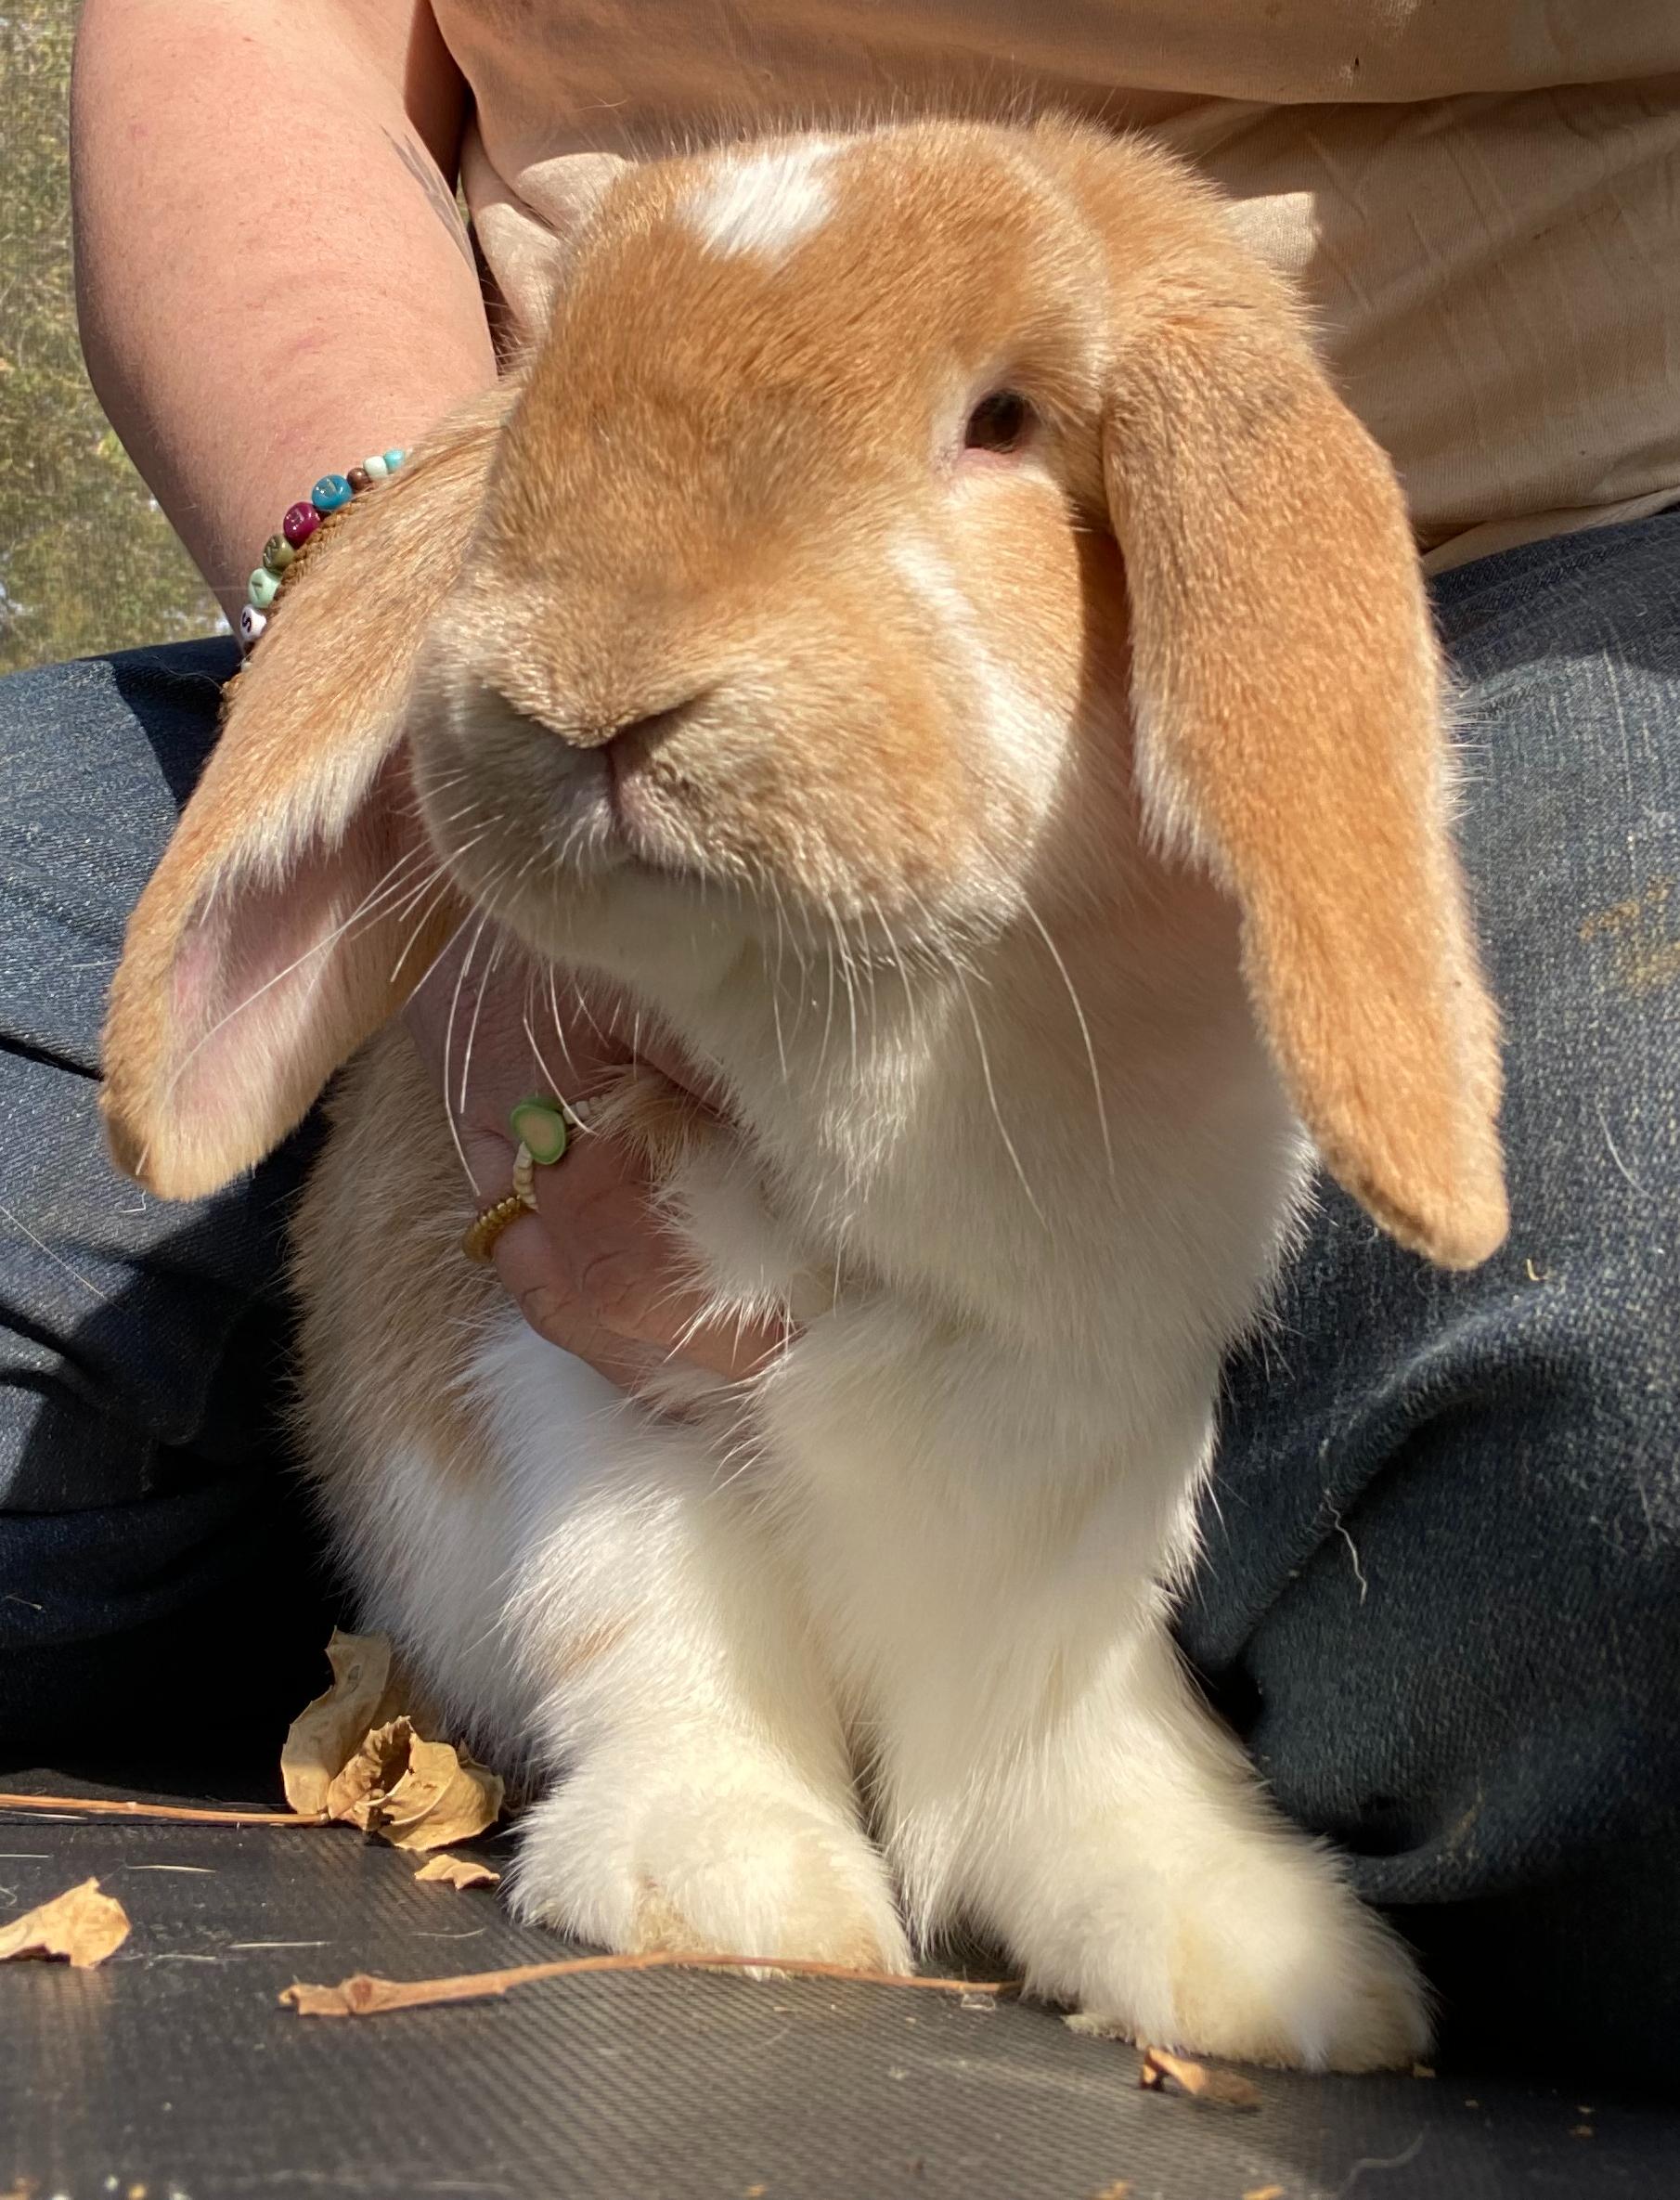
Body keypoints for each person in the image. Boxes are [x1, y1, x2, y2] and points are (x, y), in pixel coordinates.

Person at [4, 0, 1674, 2084]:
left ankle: (1065, 1686)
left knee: (1627, 1464)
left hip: (1514, 561)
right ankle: (717, 1619)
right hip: (519, 540)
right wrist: (440, 649)